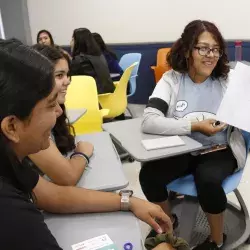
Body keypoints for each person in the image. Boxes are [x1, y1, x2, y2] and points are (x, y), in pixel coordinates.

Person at [0, 38, 172, 250]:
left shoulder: (9, 161)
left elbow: (53, 195)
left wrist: (129, 201)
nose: (60, 112)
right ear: (11, 127)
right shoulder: (11, 215)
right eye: (51, 104)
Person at [139, 20, 247, 250]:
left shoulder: (228, 80)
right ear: (188, 50)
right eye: (204, 48)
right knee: (149, 175)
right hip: (183, 147)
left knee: (207, 179)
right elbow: (150, 120)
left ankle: (216, 240)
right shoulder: (172, 80)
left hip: (220, 148)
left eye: (216, 49)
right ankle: (168, 224)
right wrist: (194, 126)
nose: (211, 55)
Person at [26, 44, 93, 186]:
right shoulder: (28, 121)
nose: (67, 81)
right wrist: (82, 154)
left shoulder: (54, 109)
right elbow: (68, 178)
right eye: (59, 75)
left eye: (67, 75)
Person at [70, 28, 115, 94]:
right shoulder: (100, 56)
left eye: (73, 39)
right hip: (108, 94)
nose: (70, 42)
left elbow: (70, 80)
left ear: (78, 42)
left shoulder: (79, 59)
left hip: (94, 96)